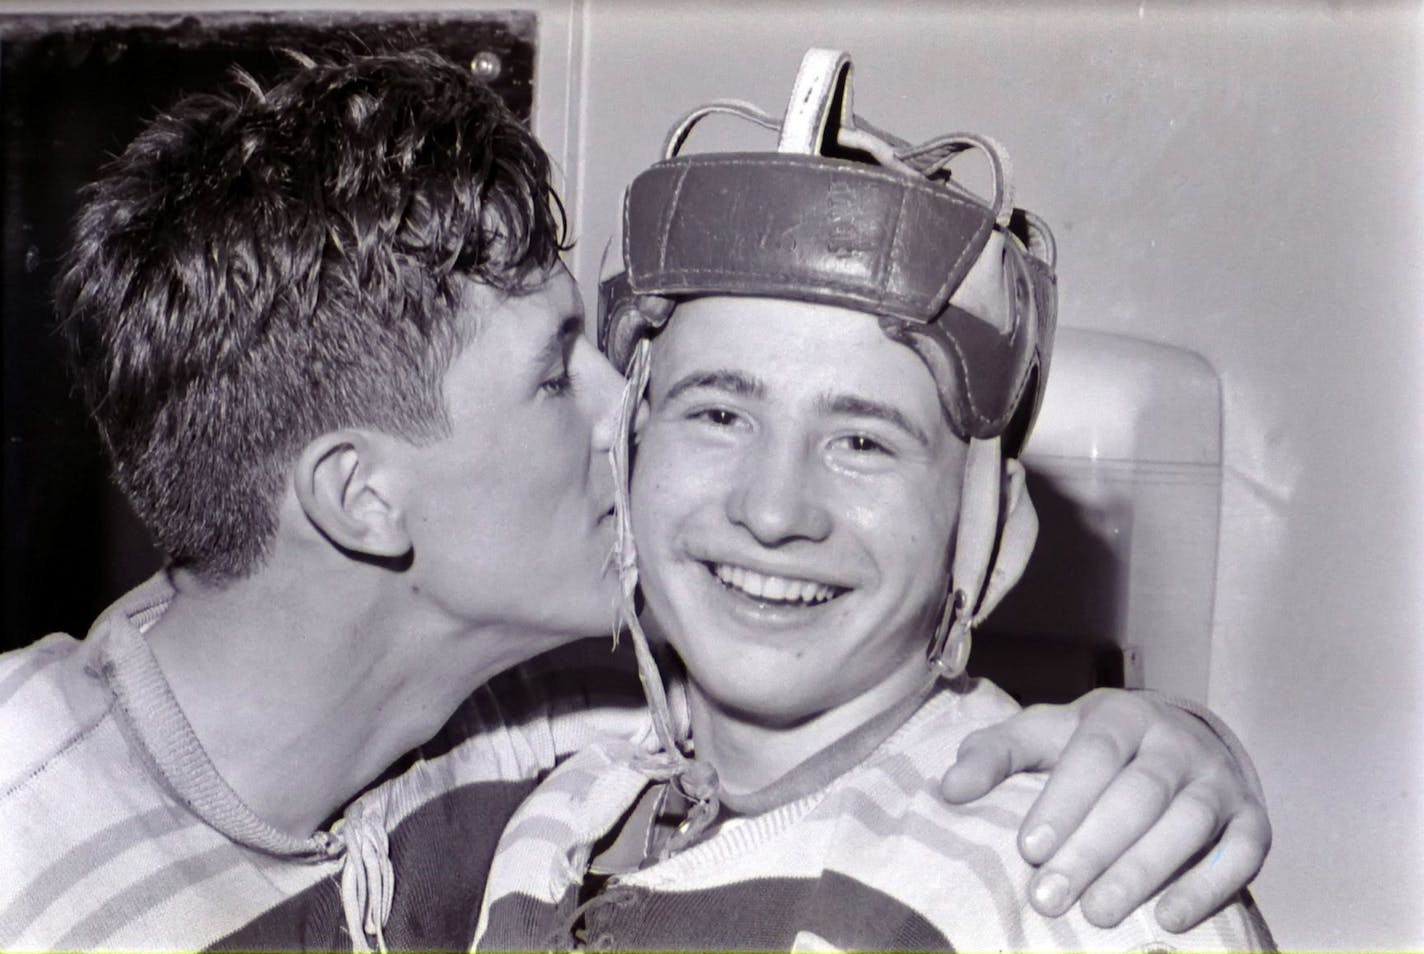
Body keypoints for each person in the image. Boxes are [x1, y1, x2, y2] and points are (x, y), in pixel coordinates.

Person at [0, 49, 1265, 951]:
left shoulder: (542, 727)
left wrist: (1171, 754)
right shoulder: (30, 842)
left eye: (862, 439)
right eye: (559, 377)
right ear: (363, 501)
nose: (635, 418)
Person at [474, 49, 1274, 951]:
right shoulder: (553, 807)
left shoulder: (1076, 883)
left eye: (863, 442)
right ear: (631, 456)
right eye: (720, 412)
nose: (774, 511)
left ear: (994, 538)